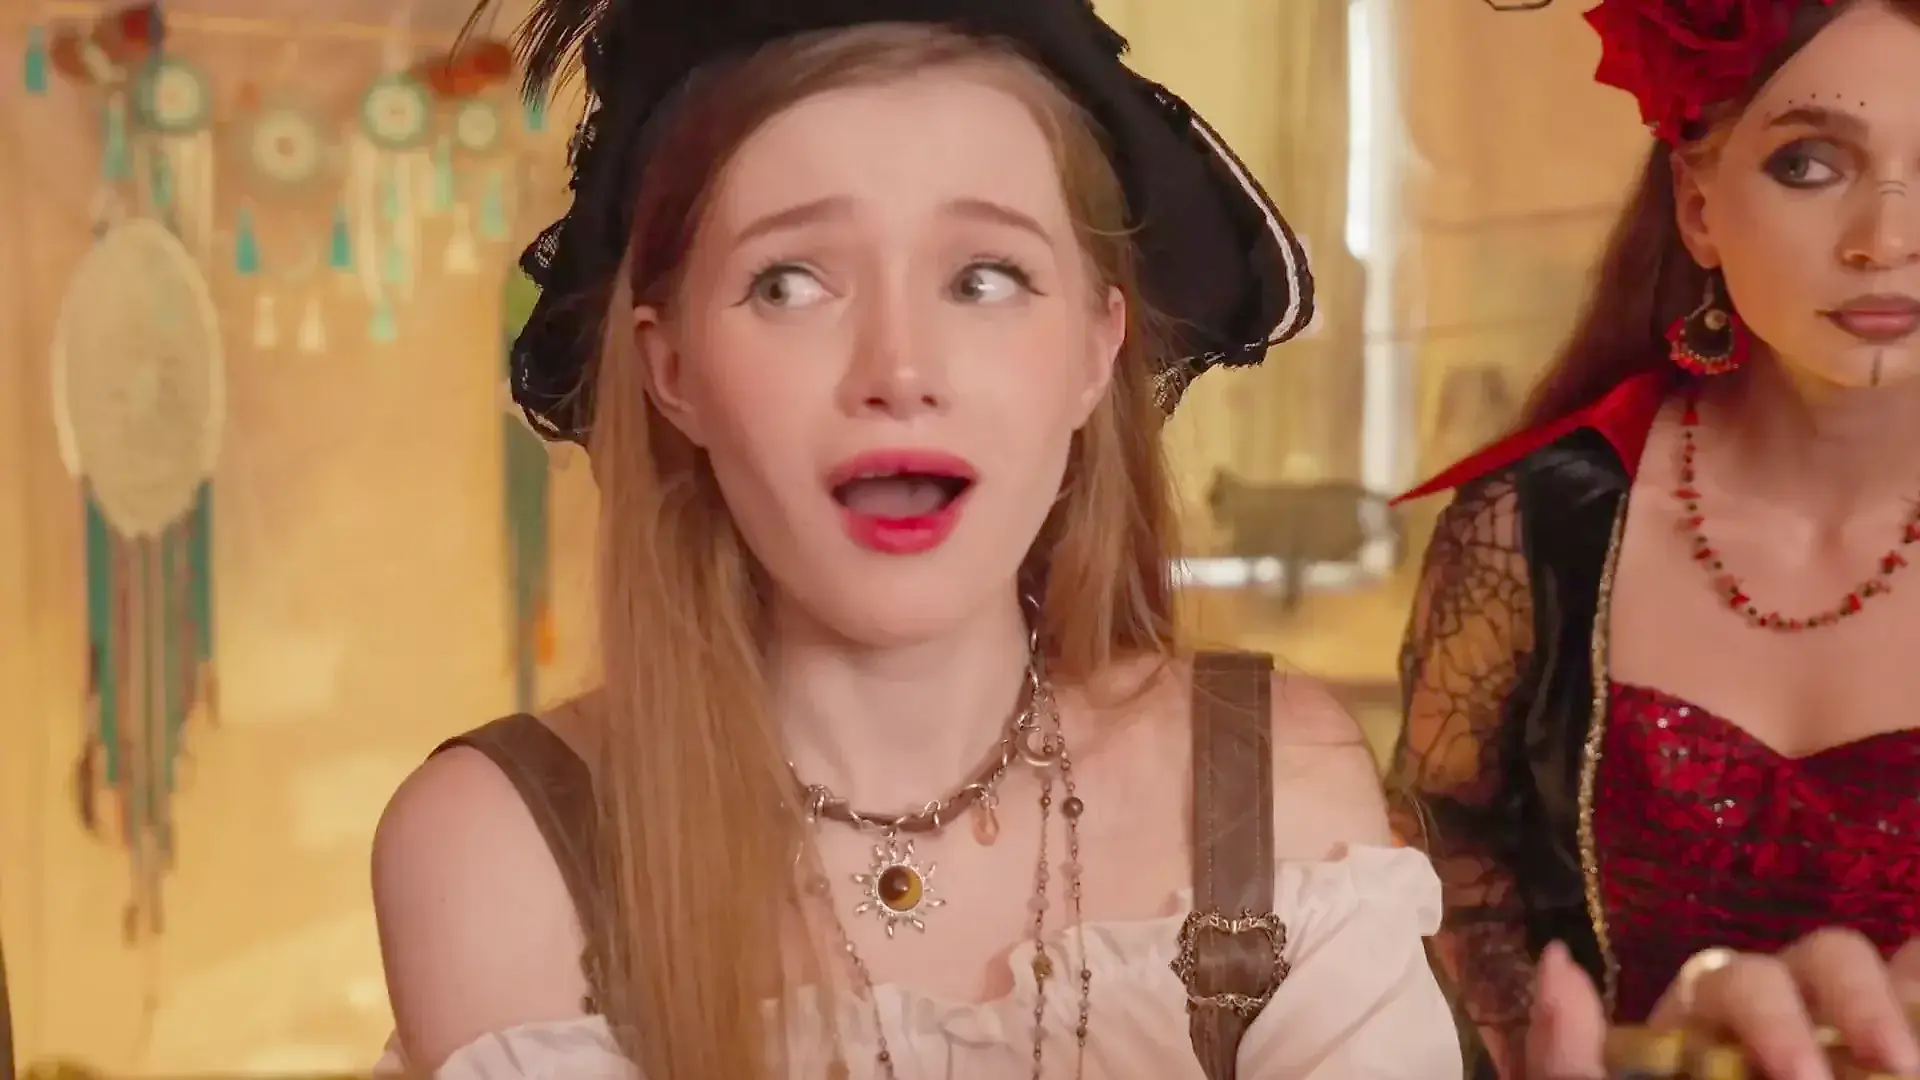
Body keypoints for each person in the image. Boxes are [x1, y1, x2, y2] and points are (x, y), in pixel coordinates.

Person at [369, 2, 1460, 1078]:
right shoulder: (501, 850)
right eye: (790, 283)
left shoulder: (1275, 788)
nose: (898, 370)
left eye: (984, 278)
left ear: (1097, 349)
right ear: (673, 370)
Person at [1393, 0, 1920, 1075]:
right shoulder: (1529, 529)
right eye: (1811, 165)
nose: (1886, 239)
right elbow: (1446, 841)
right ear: (1697, 206)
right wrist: (1555, 1051)